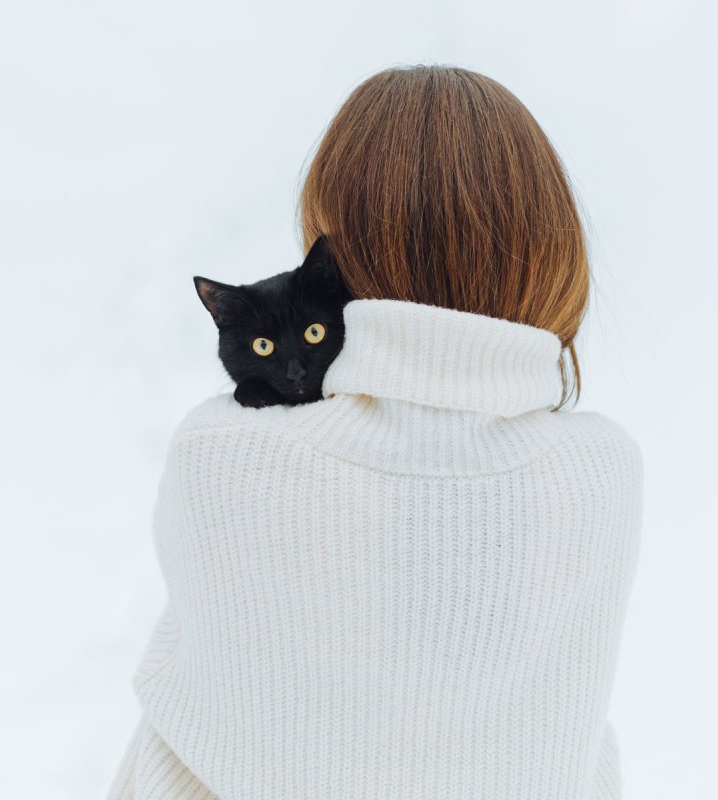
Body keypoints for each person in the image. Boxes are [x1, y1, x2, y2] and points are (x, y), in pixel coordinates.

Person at [106, 63, 643, 800]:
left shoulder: (225, 457)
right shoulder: (601, 475)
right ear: (550, 246)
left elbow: (183, 735)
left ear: (335, 251)